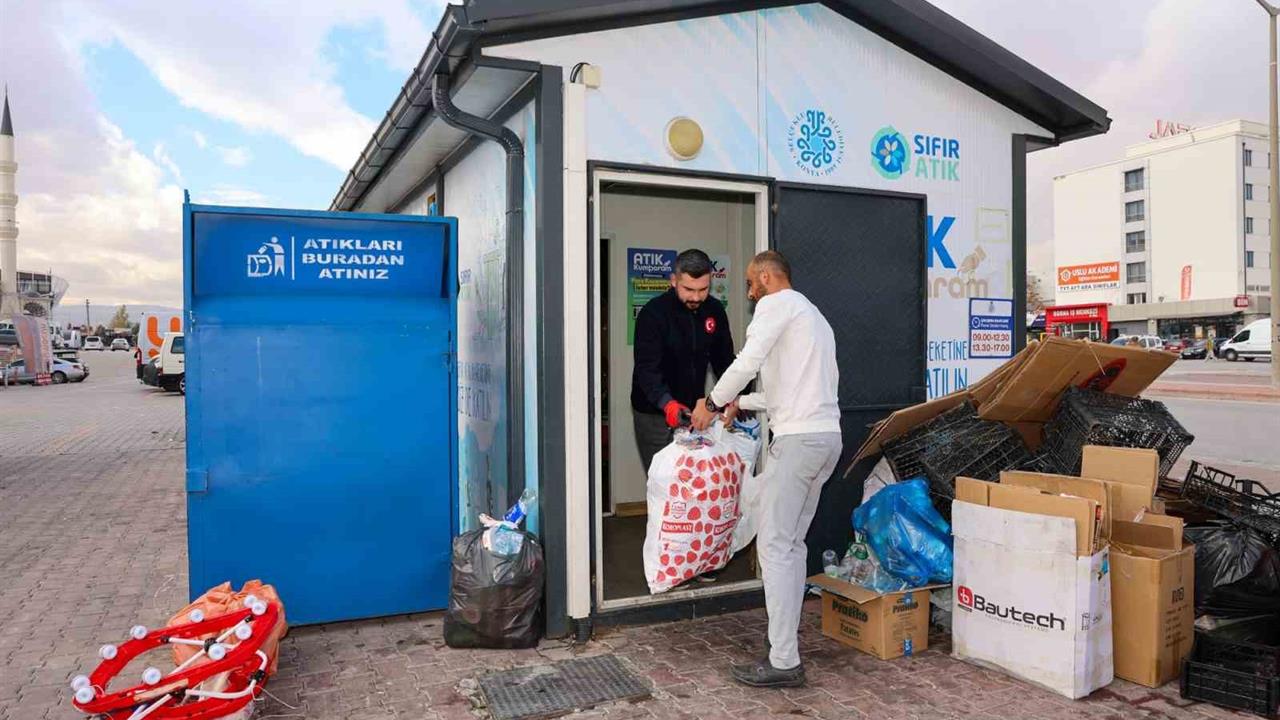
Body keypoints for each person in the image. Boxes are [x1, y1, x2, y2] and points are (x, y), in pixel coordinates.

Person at [691, 249, 841, 689]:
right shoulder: (813, 316)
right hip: (824, 439)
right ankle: (783, 647)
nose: (751, 294)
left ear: (767, 278)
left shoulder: (777, 306)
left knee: (774, 547)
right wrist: (743, 404)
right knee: (791, 546)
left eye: (752, 285)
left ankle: (784, 661)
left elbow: (746, 362)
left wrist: (713, 402)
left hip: (796, 443)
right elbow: (790, 389)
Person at [631, 248, 738, 471]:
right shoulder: (653, 314)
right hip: (655, 414)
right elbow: (646, 369)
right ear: (673, 280)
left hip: (694, 412)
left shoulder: (715, 310)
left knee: (695, 482)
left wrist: (733, 397)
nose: (696, 297)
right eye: (689, 289)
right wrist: (666, 403)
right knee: (664, 482)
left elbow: (724, 360)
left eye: (703, 289)